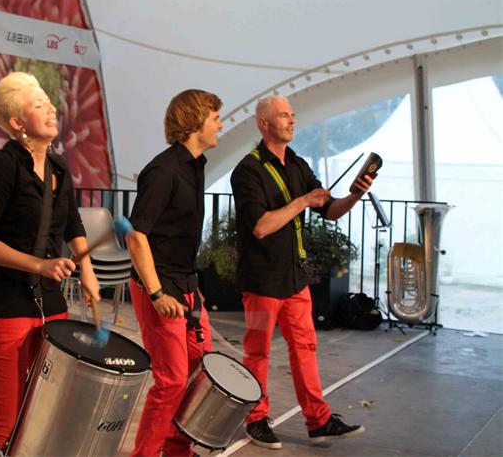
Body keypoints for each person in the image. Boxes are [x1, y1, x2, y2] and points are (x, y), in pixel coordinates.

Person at [0, 71, 100, 450]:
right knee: (3, 420)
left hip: (51, 303)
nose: (52, 108)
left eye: (49, 102)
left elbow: (72, 223)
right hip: (5, 304)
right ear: (17, 122)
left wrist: (88, 272)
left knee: (42, 412)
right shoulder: (2, 167)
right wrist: (39, 265)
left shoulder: (59, 168)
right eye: (39, 104)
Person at [231, 96, 373, 449]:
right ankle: (256, 420)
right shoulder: (247, 170)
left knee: (305, 348)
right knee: (258, 352)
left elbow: (330, 210)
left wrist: (355, 195)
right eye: (283, 115)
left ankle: (318, 420)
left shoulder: (297, 164)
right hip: (262, 280)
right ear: (264, 123)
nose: (291, 121)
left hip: (294, 278)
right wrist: (303, 201)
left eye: (293, 115)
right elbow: (261, 226)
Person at [125, 89, 222, 457]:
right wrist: (156, 294)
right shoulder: (163, 171)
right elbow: (136, 236)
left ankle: (177, 449)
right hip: (159, 286)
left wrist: (192, 288)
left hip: (185, 284)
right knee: (172, 380)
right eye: (215, 117)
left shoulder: (195, 166)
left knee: (199, 371)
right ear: (196, 120)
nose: (220, 124)